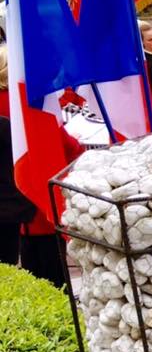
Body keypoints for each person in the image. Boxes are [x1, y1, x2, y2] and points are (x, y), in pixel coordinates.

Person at [0, 45, 83, 289]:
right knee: (48, 270)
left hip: (12, 202)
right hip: (35, 199)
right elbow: (70, 147)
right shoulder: (29, 103)